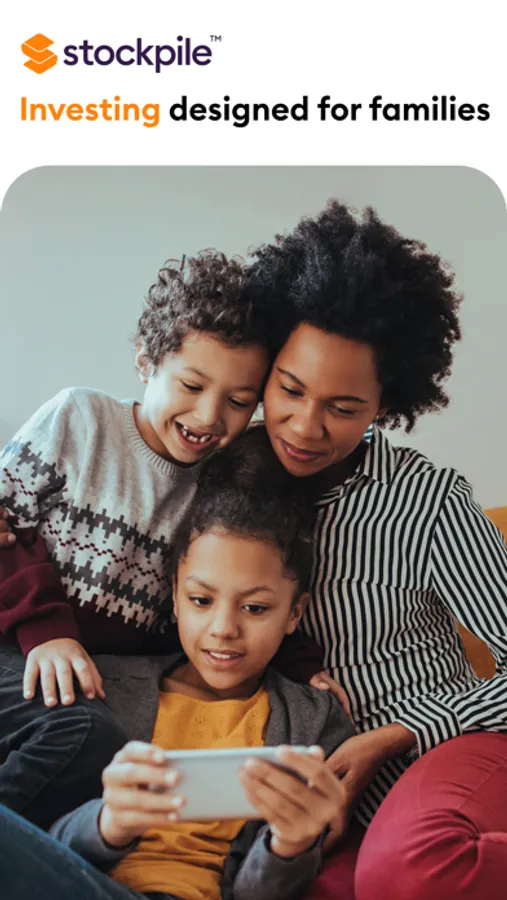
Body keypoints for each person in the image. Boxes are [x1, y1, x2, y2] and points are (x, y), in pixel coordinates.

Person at [0, 250, 329, 830]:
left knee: (106, 756)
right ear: (146, 362)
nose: (208, 416)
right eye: (192, 385)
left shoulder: (220, 485)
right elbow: (4, 524)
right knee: (82, 733)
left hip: (98, 682)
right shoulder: (80, 419)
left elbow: (252, 581)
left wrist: (304, 669)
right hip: (18, 646)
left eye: (238, 402)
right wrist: (45, 632)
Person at [245, 200, 507, 899]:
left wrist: (394, 735)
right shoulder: (217, 484)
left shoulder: (429, 502)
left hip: (445, 753)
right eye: (289, 389)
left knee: (410, 866)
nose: (304, 426)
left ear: (386, 405)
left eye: (343, 408)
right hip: (329, 794)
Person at [0, 427, 354, 900]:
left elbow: (260, 891)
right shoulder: (103, 684)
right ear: (174, 596)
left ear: (295, 613)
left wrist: (290, 845)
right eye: (201, 600)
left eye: (255, 608)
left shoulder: (313, 720)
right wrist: (109, 823)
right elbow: (48, 841)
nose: (223, 629)